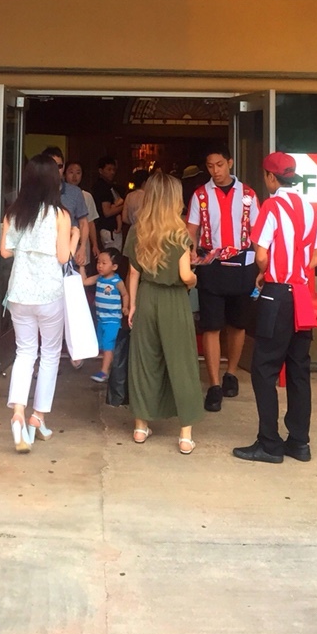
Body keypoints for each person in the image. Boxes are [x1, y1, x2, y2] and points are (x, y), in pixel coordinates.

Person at [233, 152, 317, 465]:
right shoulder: (310, 209)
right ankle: (299, 443)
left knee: (264, 369)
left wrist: (267, 271)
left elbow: (261, 254)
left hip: (277, 294)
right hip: (302, 296)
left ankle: (269, 443)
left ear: (271, 177)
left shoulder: (272, 207)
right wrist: (296, 270)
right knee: (299, 370)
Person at [1, 153, 79, 452]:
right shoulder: (60, 215)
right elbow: (63, 256)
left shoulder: (14, 213)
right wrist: (74, 237)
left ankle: (18, 414)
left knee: (24, 353)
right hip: (49, 295)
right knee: (49, 355)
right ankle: (38, 416)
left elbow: (5, 252)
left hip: (19, 294)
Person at [125, 172, 203, 454]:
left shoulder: (138, 230)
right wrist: (195, 278)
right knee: (181, 363)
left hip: (146, 297)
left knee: (144, 361)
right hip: (173, 301)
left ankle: (140, 427)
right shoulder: (180, 233)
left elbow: (133, 272)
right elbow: (184, 275)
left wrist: (133, 305)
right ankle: (185, 435)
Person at [186, 143, 260, 412]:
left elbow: (257, 232)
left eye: (219, 165)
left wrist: (263, 266)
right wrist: (190, 252)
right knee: (211, 325)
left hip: (243, 265)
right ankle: (214, 384)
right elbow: (191, 230)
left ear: (230, 163)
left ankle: (231, 373)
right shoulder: (200, 195)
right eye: (210, 166)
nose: (215, 171)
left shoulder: (248, 194)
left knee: (238, 324)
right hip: (211, 265)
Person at [80, 248, 127, 383]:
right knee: (103, 344)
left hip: (113, 320)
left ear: (114, 267)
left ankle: (104, 372)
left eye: (104, 263)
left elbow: (125, 294)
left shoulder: (117, 281)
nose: (100, 265)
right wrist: (82, 266)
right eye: (98, 262)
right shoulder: (98, 278)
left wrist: (125, 307)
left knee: (108, 345)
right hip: (101, 319)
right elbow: (84, 281)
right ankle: (110, 367)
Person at [42, 146, 88, 262]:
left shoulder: (75, 192)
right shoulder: (36, 191)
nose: (57, 170)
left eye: (60, 166)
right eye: (53, 166)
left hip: (69, 252)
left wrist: (83, 248)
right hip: (42, 252)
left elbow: (83, 223)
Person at [64, 160, 100, 268]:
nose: (74, 176)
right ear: (64, 173)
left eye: (78, 173)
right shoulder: (57, 194)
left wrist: (95, 244)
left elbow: (90, 222)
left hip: (81, 245)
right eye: (71, 172)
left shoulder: (87, 196)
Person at [92, 156, 125, 251]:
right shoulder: (103, 187)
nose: (112, 172)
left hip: (108, 229)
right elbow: (107, 212)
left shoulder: (108, 186)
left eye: (114, 169)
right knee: (112, 256)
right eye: (109, 169)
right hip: (109, 230)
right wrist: (124, 206)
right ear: (100, 171)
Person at [122, 169, 149, 235]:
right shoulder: (148, 196)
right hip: (145, 231)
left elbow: (124, 218)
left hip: (132, 230)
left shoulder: (129, 196)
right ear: (145, 182)